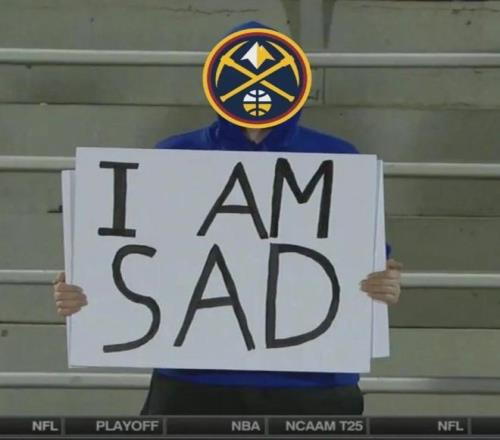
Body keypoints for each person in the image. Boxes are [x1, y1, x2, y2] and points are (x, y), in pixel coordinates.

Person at [53, 21, 403, 416]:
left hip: (312, 379)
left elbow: (369, 267)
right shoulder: (172, 156)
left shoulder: (340, 159)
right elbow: (134, 262)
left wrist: (385, 285)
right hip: (194, 380)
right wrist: (85, 291)